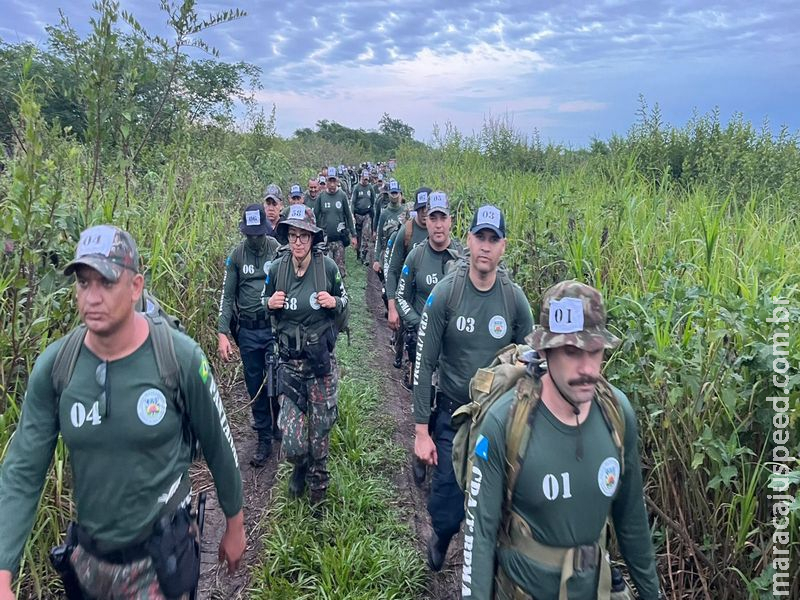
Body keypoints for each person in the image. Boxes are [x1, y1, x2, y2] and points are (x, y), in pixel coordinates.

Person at [0, 225, 245, 600]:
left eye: (106, 282)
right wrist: (4, 568)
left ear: (135, 287)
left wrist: (235, 522)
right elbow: (22, 471)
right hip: (89, 562)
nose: (92, 297)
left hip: (160, 561)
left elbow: (219, 444)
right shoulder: (57, 367)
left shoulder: (178, 358)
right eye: (84, 283)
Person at [461, 281, 662, 600]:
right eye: (571, 351)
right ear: (543, 351)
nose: (587, 368)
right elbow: (480, 537)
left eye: (595, 351)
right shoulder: (504, 424)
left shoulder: (617, 414)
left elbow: (632, 524)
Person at [413, 205, 534, 572]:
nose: (485, 246)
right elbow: (424, 363)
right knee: (447, 503)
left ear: (503, 247)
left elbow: (534, 362)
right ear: (468, 241)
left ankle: (487, 571)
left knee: (496, 507)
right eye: (479, 237)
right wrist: (420, 430)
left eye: (492, 239)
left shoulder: (514, 299)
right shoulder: (446, 294)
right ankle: (443, 535)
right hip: (452, 415)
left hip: (500, 420)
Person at [264, 205, 348, 508]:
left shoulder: (326, 268)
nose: (298, 242)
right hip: (289, 363)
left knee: (319, 434)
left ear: (313, 238)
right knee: (294, 441)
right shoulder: (277, 269)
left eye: (304, 236)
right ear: (287, 237)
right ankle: (299, 466)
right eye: (293, 236)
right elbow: (265, 302)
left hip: (320, 362)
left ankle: (318, 497)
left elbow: (345, 302)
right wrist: (269, 303)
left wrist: (334, 301)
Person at [218, 204, 282, 466]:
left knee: (277, 380)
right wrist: (223, 332)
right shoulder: (237, 256)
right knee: (254, 385)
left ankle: (279, 420)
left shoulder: (277, 251)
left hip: (273, 328)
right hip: (248, 332)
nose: (254, 239)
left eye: (258, 234)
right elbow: (227, 297)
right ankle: (264, 437)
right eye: (250, 235)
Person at [396, 191, 462, 392]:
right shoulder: (416, 256)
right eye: (433, 218)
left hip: (452, 348)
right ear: (427, 220)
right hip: (422, 343)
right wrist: (418, 323)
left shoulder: (462, 260)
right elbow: (401, 297)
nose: (438, 224)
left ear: (451, 221)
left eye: (443, 217)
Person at [385, 184, 430, 369]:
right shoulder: (406, 231)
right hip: (406, 293)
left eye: (430, 209)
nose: (426, 214)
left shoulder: (438, 233)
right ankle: (399, 354)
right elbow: (393, 270)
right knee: (404, 331)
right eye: (422, 209)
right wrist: (392, 304)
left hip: (426, 296)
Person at [313, 166, 356, 279]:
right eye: (329, 181)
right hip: (325, 239)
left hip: (339, 238)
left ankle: (340, 292)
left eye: (334, 181)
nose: (332, 184)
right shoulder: (321, 197)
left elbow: (348, 215)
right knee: (325, 269)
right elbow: (314, 216)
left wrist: (354, 235)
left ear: (337, 181)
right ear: (326, 181)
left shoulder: (342, 195)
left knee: (339, 271)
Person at [351, 169, 376, 265]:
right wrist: (352, 214)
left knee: (366, 235)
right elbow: (353, 202)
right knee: (358, 234)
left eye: (367, 179)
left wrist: (372, 212)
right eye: (364, 179)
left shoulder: (370, 188)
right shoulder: (357, 187)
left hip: (367, 214)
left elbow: (373, 201)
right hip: (358, 214)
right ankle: (358, 252)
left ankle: (364, 256)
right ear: (361, 177)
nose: (365, 181)